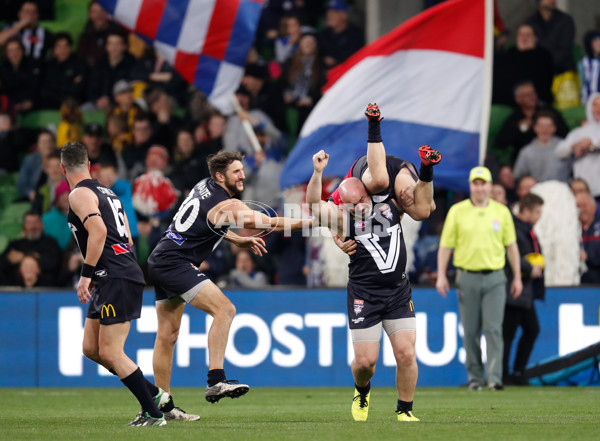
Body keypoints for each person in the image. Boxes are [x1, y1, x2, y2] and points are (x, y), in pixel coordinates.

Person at [305, 104, 441, 422]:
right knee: (366, 363)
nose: (363, 205)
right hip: (364, 293)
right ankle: (362, 392)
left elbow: (423, 203)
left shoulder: (387, 200)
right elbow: (312, 204)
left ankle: (404, 411)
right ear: (344, 206)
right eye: (356, 203)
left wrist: (425, 173)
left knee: (407, 353)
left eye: (364, 199)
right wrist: (317, 172)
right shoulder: (340, 219)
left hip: (397, 290)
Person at [147, 151, 311, 413]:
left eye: (242, 170)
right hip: (175, 263)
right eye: (236, 172)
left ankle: (161, 406)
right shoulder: (228, 205)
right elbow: (270, 223)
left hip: (161, 257)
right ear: (221, 176)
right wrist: (315, 221)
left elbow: (205, 221)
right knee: (225, 309)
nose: (243, 175)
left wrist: (236, 239)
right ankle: (216, 380)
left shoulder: (204, 184)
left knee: (167, 336)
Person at [59, 141, 168, 426]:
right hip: (118, 272)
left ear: (62, 169)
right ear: (89, 165)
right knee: (91, 348)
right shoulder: (108, 193)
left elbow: (98, 230)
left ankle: (153, 413)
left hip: (113, 275)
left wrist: (87, 273)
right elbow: (127, 240)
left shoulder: (79, 194)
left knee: (110, 351)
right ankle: (154, 394)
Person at [436, 166, 522, 391]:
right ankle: (475, 379)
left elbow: (512, 247)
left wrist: (517, 278)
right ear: (471, 185)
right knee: (471, 331)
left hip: (495, 276)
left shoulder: (502, 212)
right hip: (467, 276)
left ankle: (494, 378)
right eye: (476, 183)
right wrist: (441, 275)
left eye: (483, 183)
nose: (480, 187)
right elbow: (445, 246)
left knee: (493, 329)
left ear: (490, 186)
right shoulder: (457, 211)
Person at [503, 193, 545, 386]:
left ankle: (517, 372)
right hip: (514, 288)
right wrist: (530, 268)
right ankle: (506, 375)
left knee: (528, 329)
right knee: (509, 333)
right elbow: (510, 256)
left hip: (524, 291)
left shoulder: (527, 229)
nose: (539, 216)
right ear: (526, 210)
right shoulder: (515, 228)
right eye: (537, 211)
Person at [494, 81, 569, 164]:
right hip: (526, 161)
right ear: (518, 99)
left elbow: (566, 134)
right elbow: (501, 142)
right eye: (527, 95)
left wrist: (548, 128)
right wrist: (519, 128)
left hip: (552, 157)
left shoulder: (549, 112)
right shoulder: (514, 118)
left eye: (533, 93)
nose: (532, 97)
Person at [492, 24, 554, 106]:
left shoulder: (543, 55)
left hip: (533, 98)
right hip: (508, 98)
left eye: (528, 34)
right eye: (521, 34)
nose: (524, 37)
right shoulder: (510, 53)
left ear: (535, 38)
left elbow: (543, 81)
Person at [555, 93, 600, 200]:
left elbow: (593, 143)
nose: (598, 108)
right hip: (581, 187)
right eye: (595, 105)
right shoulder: (578, 132)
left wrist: (591, 144)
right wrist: (574, 147)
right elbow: (559, 151)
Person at [0, 211, 62, 286]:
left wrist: (23, 257)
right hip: (15, 289)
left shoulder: (50, 243)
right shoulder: (15, 245)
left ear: (42, 225)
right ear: (24, 226)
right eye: (29, 222)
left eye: (36, 222)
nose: (33, 226)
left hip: (46, 288)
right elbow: (3, 263)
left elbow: (54, 264)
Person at [512, 109, 569, 183]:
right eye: (541, 126)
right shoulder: (527, 151)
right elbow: (517, 176)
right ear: (535, 128)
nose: (545, 129)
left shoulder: (565, 147)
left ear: (554, 128)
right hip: (535, 191)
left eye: (549, 126)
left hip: (561, 190)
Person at [525, 0, 575, 74]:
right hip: (537, 71)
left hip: (562, 70)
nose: (552, 1)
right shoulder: (530, 22)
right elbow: (527, 48)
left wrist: (544, 62)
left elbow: (565, 50)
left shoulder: (565, 20)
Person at [576, 191, 600, 284]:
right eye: (578, 206)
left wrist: (588, 256)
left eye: (584, 206)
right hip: (576, 284)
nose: (581, 210)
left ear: (594, 207)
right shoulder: (571, 229)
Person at [578, 30, 600, 104]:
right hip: (587, 101)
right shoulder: (584, 62)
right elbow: (581, 82)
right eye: (596, 41)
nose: (599, 43)